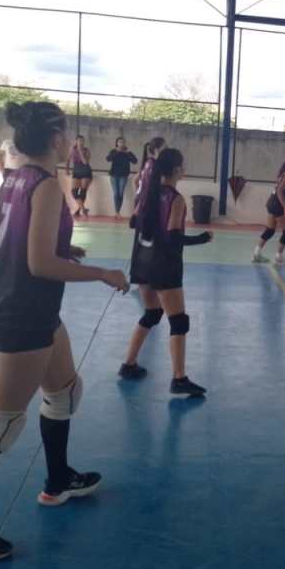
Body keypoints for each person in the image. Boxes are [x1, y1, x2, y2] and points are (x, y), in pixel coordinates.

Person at [0, 101, 128, 564]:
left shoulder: (13, 179)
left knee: (64, 392)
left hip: (35, 311)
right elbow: (39, 264)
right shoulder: (47, 187)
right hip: (23, 314)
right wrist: (102, 273)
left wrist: (63, 247)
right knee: (0, 424)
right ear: (57, 139)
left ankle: (58, 481)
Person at [119, 148, 211, 397]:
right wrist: (202, 238)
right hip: (164, 266)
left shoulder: (147, 195)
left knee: (151, 313)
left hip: (141, 263)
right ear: (177, 170)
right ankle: (179, 378)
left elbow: (133, 222)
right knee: (178, 321)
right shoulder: (175, 199)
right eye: (183, 165)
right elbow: (173, 238)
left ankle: (129, 364)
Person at [253, 154, 285, 266]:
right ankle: (279, 257)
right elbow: (280, 191)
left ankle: (256, 254)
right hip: (277, 204)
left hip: (272, 202)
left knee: (270, 230)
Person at [106, 137, 137, 219]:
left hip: (123, 175)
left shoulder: (128, 152)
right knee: (116, 194)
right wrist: (116, 152)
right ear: (117, 143)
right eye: (120, 142)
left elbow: (135, 161)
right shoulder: (114, 151)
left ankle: (117, 212)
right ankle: (117, 212)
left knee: (120, 193)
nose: (121, 144)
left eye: (123, 142)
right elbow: (108, 159)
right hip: (114, 175)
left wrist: (127, 153)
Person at [68, 135, 92, 218]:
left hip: (85, 171)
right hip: (76, 171)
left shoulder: (86, 150)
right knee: (74, 192)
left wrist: (80, 151)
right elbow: (68, 159)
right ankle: (83, 209)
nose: (81, 142)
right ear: (76, 141)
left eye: (82, 140)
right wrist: (67, 170)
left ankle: (79, 210)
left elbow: (85, 162)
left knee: (82, 191)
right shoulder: (72, 150)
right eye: (79, 140)